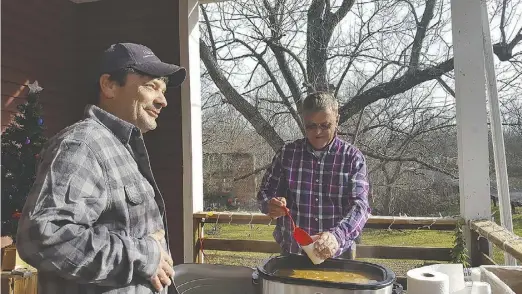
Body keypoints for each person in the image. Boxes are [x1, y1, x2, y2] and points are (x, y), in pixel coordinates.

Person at [16, 43, 186, 294]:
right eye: (151, 86)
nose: (162, 101)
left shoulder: (120, 148)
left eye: (163, 90)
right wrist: (144, 255)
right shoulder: (83, 145)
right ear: (109, 85)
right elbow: (44, 237)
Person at [257, 91, 371, 261]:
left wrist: (337, 236)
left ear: (337, 119)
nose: (317, 132)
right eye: (311, 126)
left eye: (325, 125)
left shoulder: (352, 157)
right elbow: (264, 193)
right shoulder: (287, 154)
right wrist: (270, 205)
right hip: (292, 253)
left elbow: (360, 206)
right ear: (303, 122)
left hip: (337, 255)